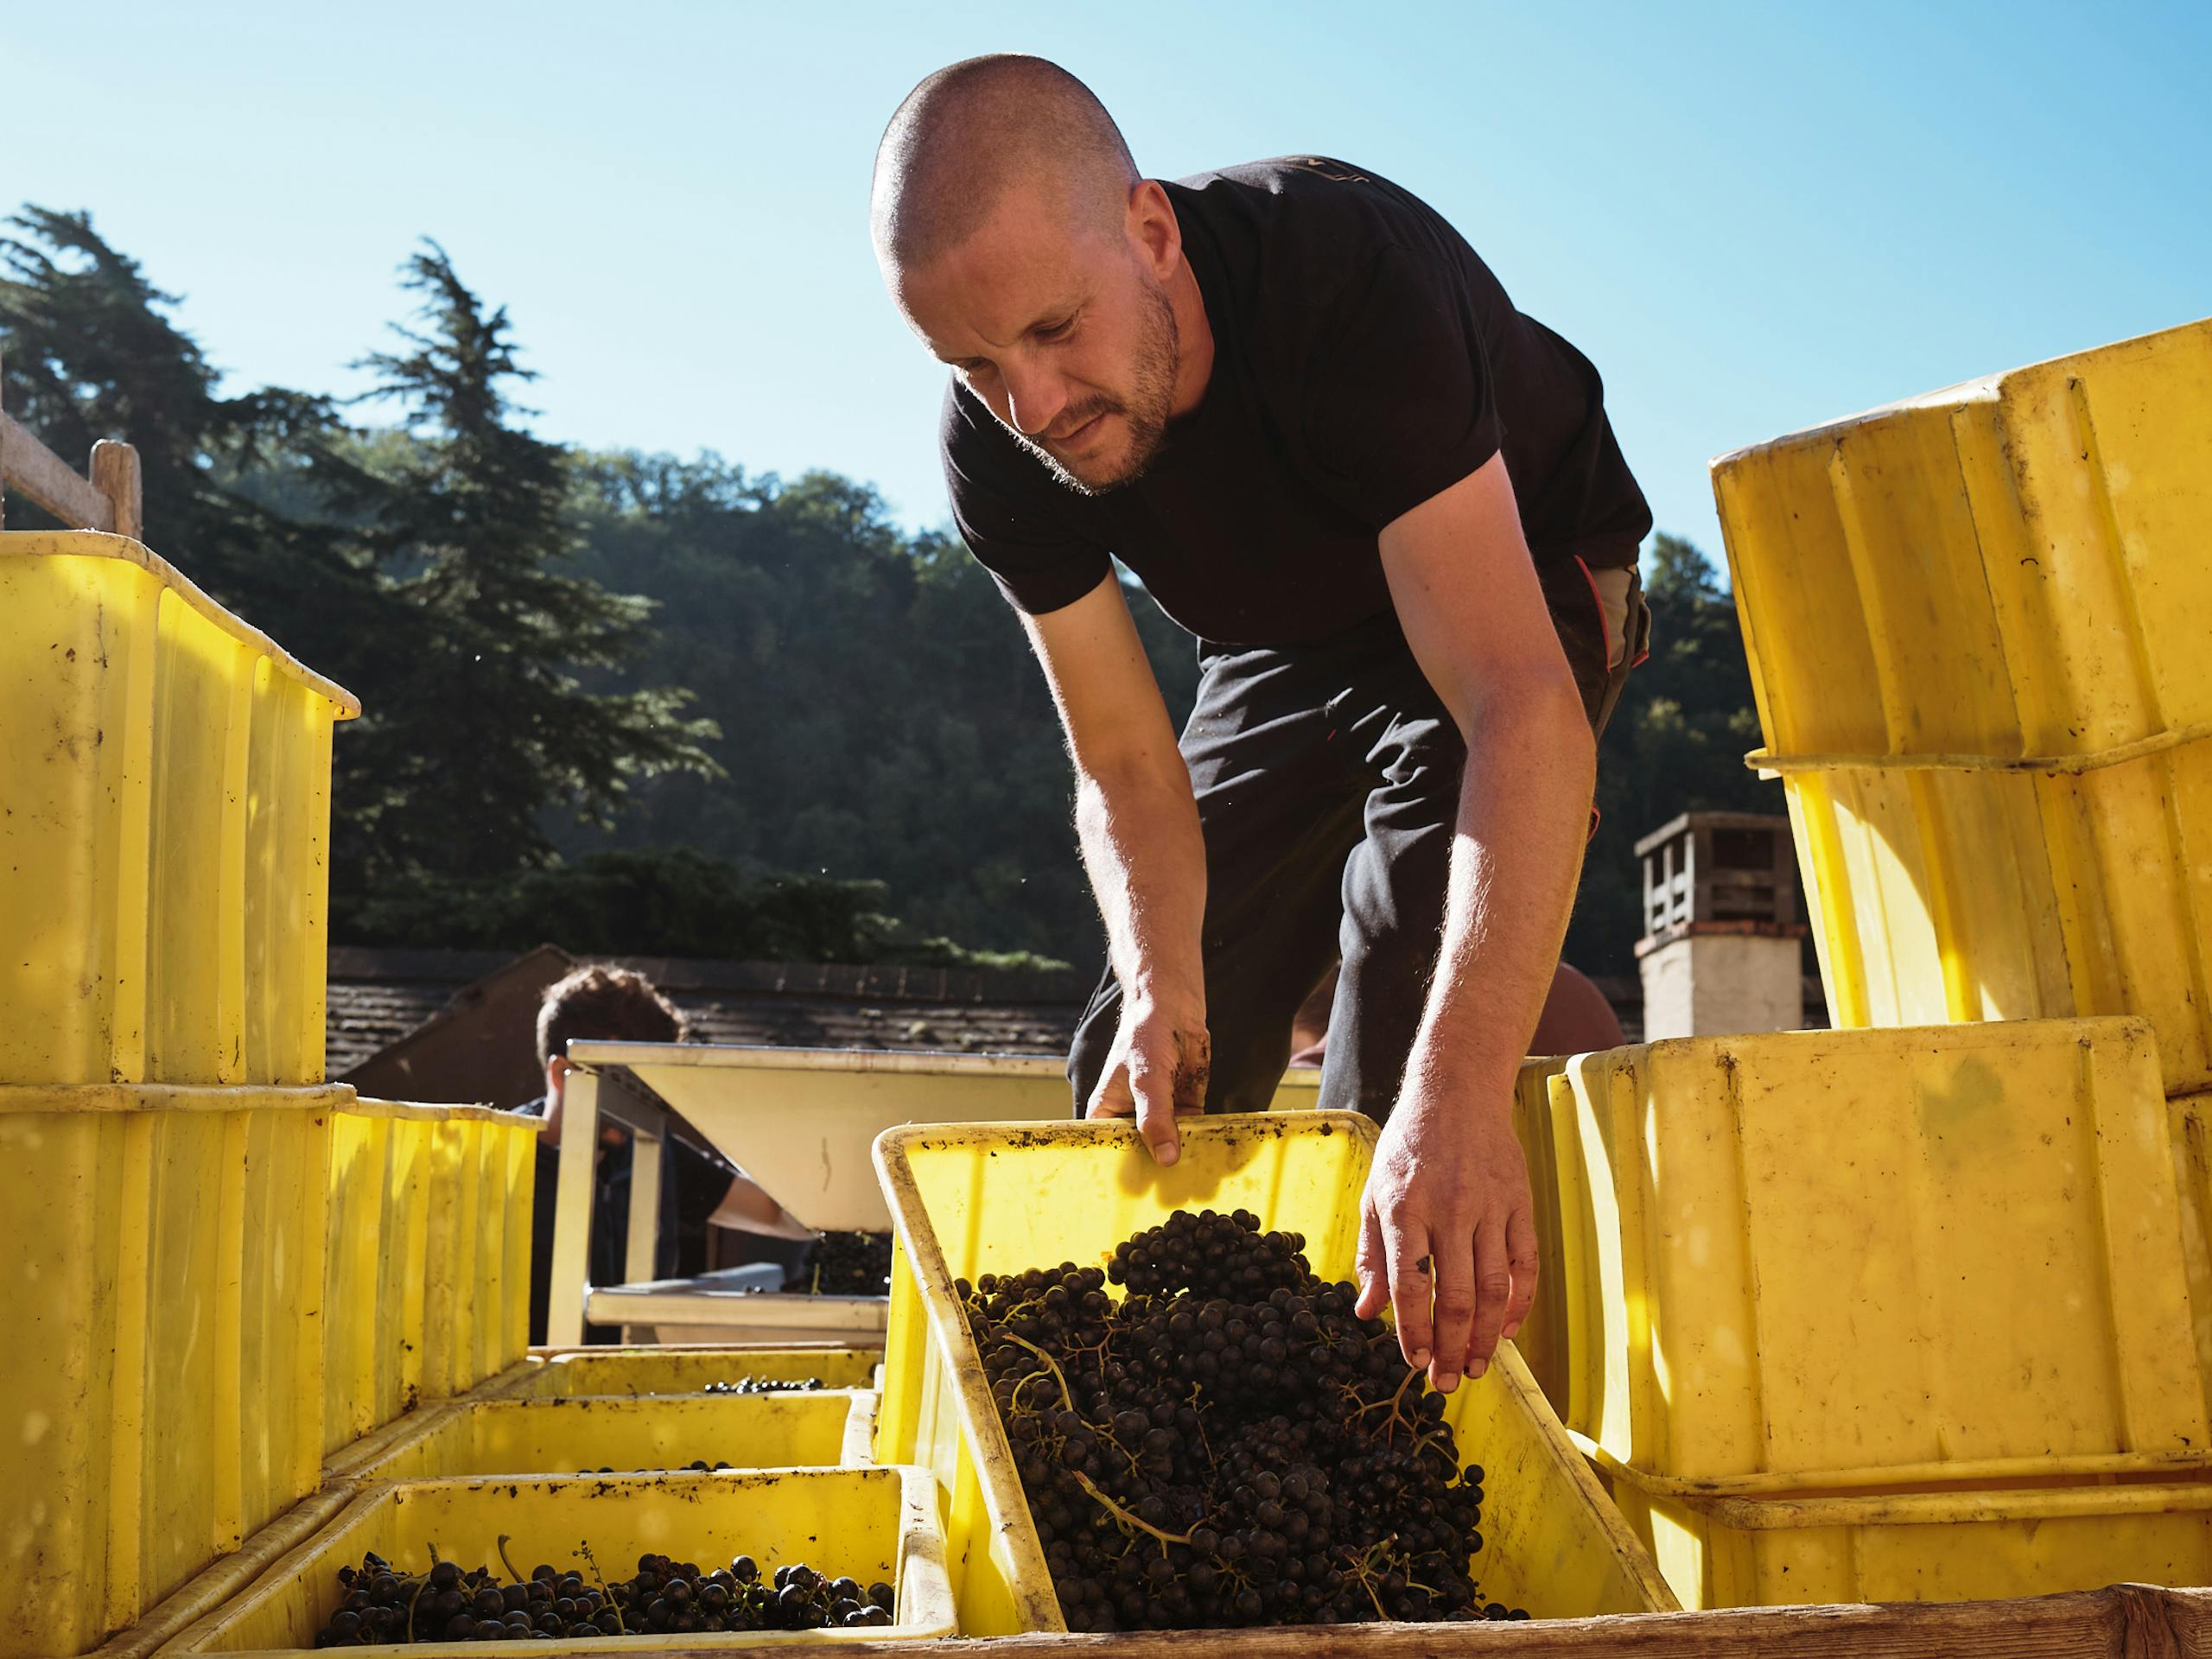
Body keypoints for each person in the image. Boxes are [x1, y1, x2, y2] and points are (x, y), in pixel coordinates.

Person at [870, 57, 1651, 1394]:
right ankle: (1160, 1434)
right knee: (1151, 1045)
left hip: (1507, 575)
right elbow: (1121, 757)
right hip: (1284, 634)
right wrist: (1161, 958)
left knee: (1407, 1062)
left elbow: (1515, 699)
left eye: (1058, 330)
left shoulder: (1343, 277)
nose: (1035, 405)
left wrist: (1455, 1101)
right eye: (977, 364)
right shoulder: (998, 441)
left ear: (1153, 232)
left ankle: (1402, 1448)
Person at [522, 964, 810, 1344]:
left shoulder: (656, 1154)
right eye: (625, 1084)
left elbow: (785, 1214)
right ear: (562, 1074)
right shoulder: (502, 1160)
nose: (639, 1108)